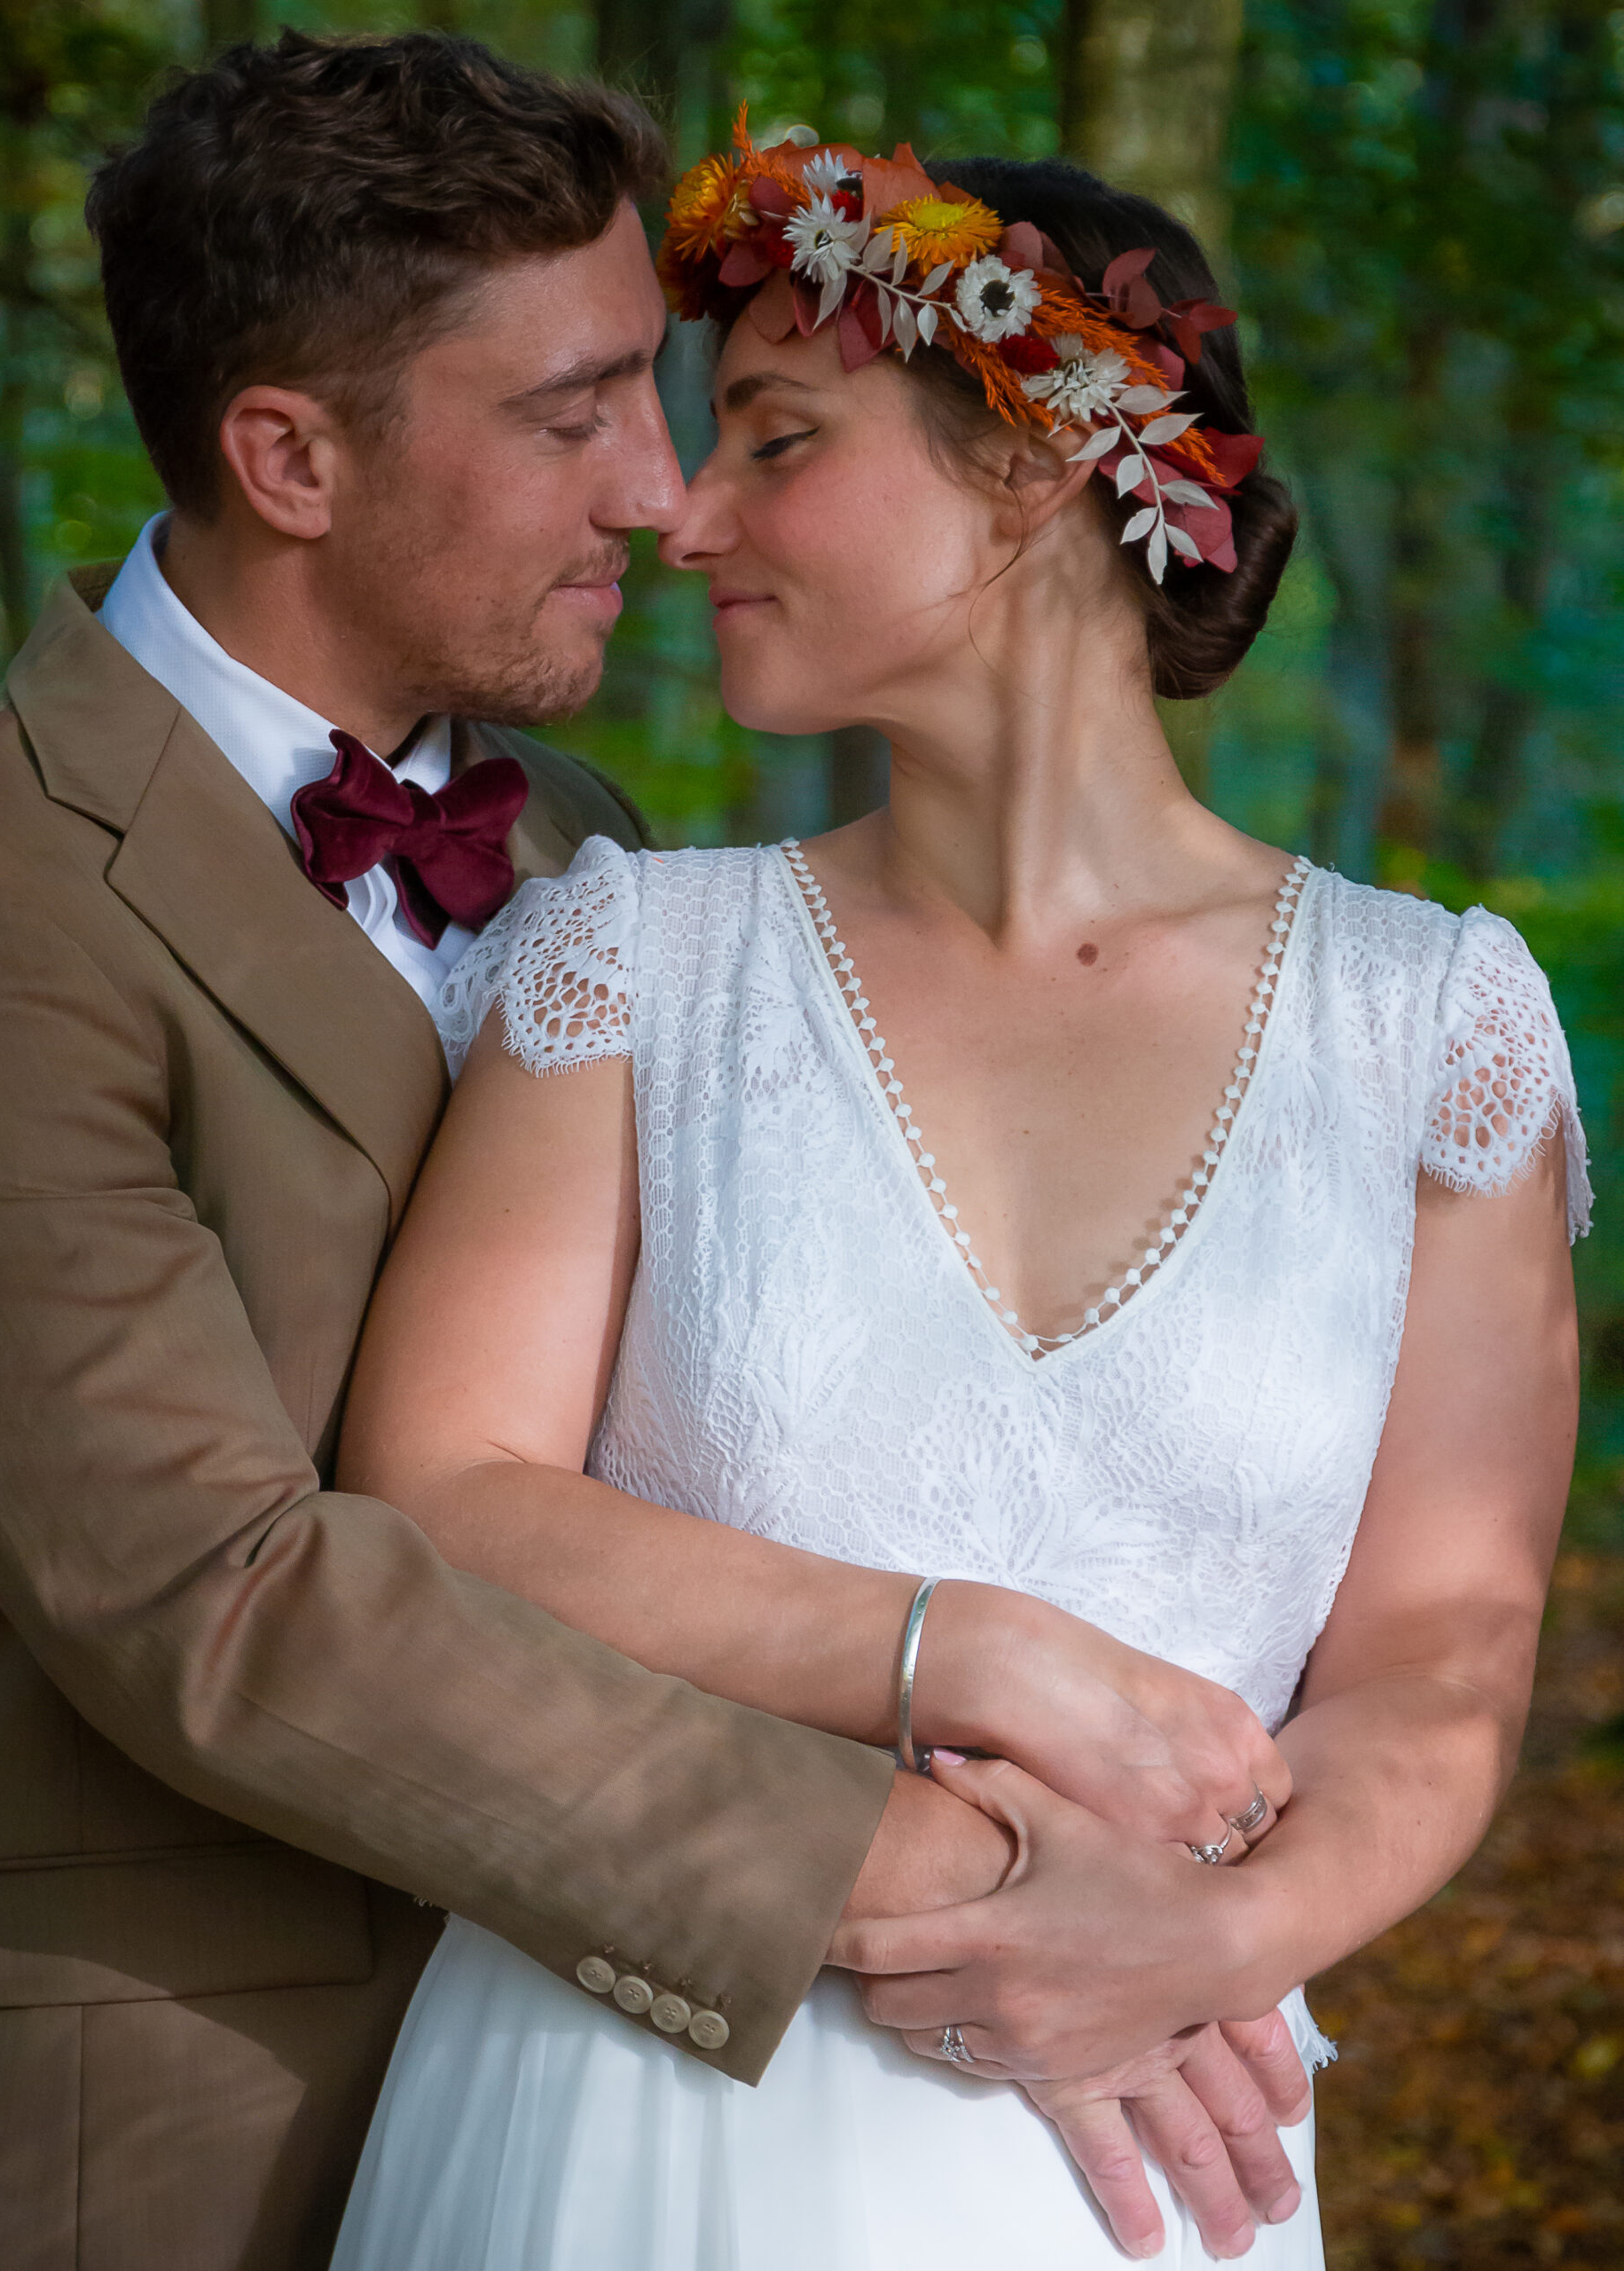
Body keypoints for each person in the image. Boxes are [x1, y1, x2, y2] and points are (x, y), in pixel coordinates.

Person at [0, 39, 1032, 2268]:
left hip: (631, 2107)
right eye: (573, 413)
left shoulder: (588, 845)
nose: (662, 492)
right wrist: (911, 1870)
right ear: (289, 455)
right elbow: (215, 1598)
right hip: (181, 2118)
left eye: (663, 394)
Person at [324, 127, 1586, 2267]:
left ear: (1031, 465)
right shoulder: (636, 959)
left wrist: (1209, 1931)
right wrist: (954, 1649)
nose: (681, 513)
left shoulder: (1428, 1029)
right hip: (627, 2100)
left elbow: (1446, 1642)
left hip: (1146, 2148)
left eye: (776, 441)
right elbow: (441, 1486)